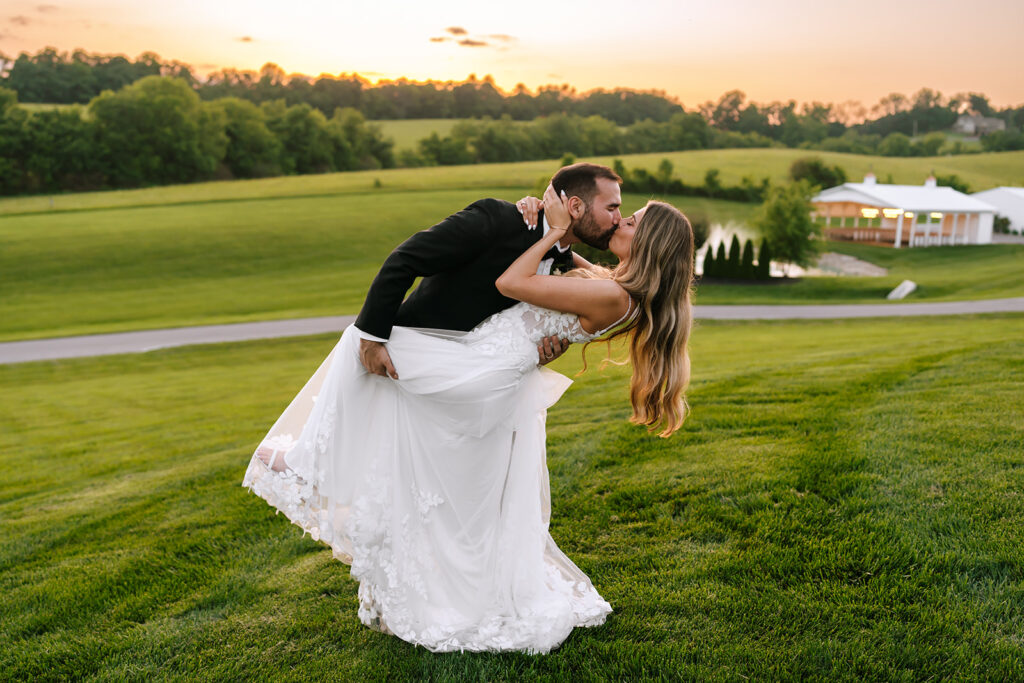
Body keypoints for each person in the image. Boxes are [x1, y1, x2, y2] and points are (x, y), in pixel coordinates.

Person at [242, 170, 695, 654]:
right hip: (493, 364)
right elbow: (573, 273)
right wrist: (550, 232)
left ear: (649, 245)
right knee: (443, 485)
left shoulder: (612, 294)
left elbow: (511, 281)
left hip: (483, 369)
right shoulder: (619, 289)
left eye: (632, 220)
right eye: (620, 211)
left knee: (363, 341)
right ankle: (336, 478)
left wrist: (558, 232)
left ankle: (310, 464)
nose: (622, 219)